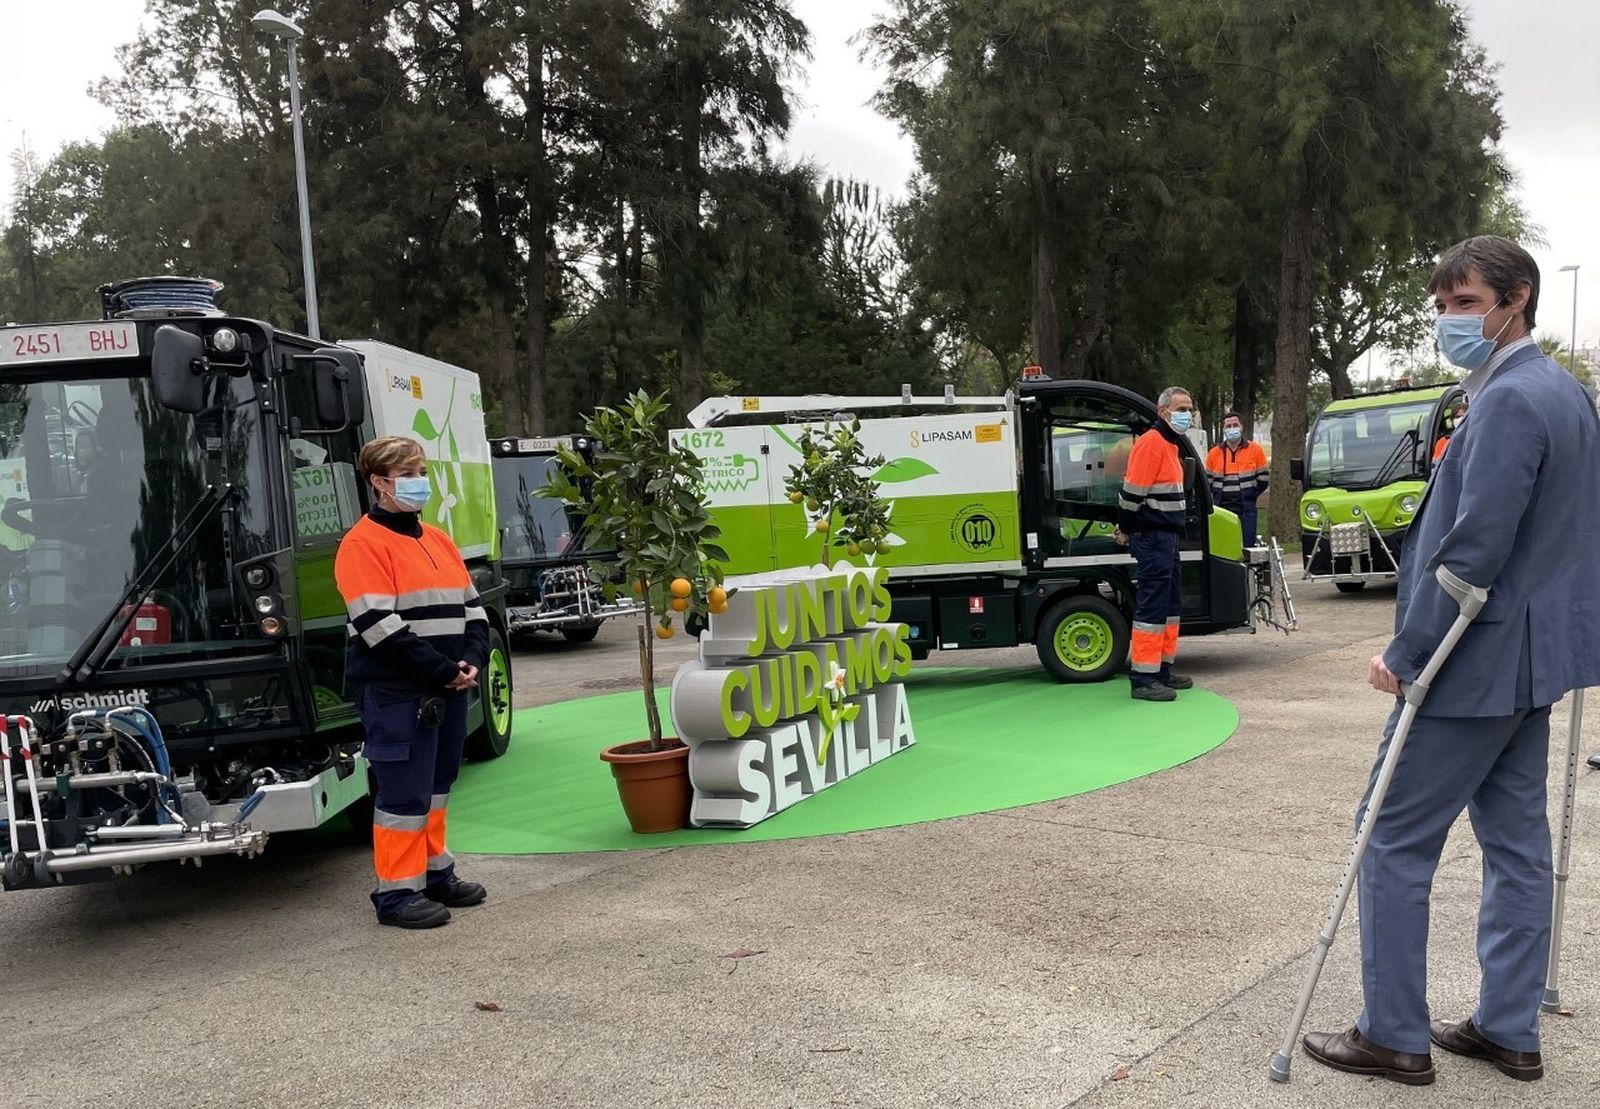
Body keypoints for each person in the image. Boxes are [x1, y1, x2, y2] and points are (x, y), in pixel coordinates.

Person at [1303, 236, 1600, 1084]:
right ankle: (1509, 1026)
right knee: (1515, 840)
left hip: (1476, 661)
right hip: (1533, 663)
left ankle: (1392, 1032)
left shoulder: (1509, 399)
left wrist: (1407, 650)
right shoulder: (1566, 393)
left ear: (1519, 300)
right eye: (1441, 305)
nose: (1448, 320)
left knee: (1390, 835)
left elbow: (1474, 551)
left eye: (1465, 304)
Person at [335, 435, 492, 929]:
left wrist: (472, 659)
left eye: (420, 471)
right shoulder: (361, 544)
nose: (418, 482)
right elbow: (380, 628)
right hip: (396, 691)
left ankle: (434, 872)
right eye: (407, 475)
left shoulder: (437, 539)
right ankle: (397, 895)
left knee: (438, 786)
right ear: (378, 483)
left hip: (445, 685)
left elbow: (474, 610)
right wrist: (445, 671)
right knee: (403, 795)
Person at [1115, 386, 1195, 703]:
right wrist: (1124, 528)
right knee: (1152, 608)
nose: (1186, 413)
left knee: (1169, 607)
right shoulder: (1151, 443)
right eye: (1180, 408)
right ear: (1163, 411)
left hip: (1166, 537)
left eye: (1189, 407)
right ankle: (1143, 679)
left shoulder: (1168, 444)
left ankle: (1160, 670)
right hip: (1153, 537)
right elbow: (1132, 494)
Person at [1204, 412, 1269, 544]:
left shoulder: (1255, 450)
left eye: (1235, 425)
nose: (1231, 428)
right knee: (1224, 545)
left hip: (1246, 509)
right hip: (1221, 509)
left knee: (1246, 545)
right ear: (1223, 429)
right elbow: (1208, 482)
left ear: (1241, 427)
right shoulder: (1214, 453)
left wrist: (1250, 494)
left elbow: (1263, 479)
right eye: (1228, 426)